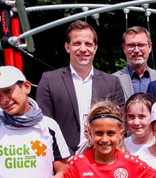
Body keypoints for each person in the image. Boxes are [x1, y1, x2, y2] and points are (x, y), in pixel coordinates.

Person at [36, 20, 126, 153]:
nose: (83, 49)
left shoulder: (112, 82)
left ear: (95, 48)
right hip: (62, 159)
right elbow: (44, 124)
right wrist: (65, 156)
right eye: (77, 43)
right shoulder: (49, 80)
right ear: (67, 47)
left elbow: (120, 123)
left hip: (101, 157)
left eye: (88, 44)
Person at [113, 26, 156, 99]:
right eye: (131, 45)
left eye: (141, 45)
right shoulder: (112, 81)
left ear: (150, 47)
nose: (136, 50)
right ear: (124, 48)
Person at [124, 92, 155, 157]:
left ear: (152, 116)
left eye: (141, 116)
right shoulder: (123, 146)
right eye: (131, 117)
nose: (136, 122)